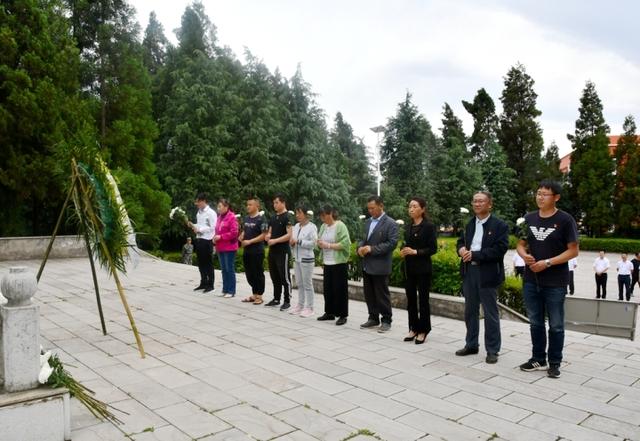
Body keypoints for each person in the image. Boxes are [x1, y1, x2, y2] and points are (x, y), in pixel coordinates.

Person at [517, 180, 578, 379]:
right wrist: (524, 255)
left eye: (545, 194)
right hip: (531, 279)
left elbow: (573, 251)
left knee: (556, 324)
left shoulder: (565, 220)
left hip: (555, 282)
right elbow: (520, 244)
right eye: (538, 193)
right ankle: (538, 358)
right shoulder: (529, 218)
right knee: (535, 322)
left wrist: (548, 262)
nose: (540, 197)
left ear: (556, 197)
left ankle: (554, 362)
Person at [455, 191, 509, 364]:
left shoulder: (499, 225)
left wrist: (475, 255)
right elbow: (460, 241)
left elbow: (499, 249)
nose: (477, 204)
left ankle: (493, 349)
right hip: (469, 272)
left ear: (489, 204)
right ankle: (471, 344)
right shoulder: (469, 224)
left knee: (490, 313)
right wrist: (461, 249)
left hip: (488, 273)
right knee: (470, 311)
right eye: (475, 201)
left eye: (481, 201)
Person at [357, 196, 399, 333]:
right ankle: (373, 317)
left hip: (380, 265)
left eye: (372, 208)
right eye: (368, 208)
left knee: (382, 294)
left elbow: (392, 243)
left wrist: (372, 249)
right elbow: (362, 239)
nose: (370, 211)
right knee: (369, 293)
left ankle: (386, 320)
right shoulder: (368, 222)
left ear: (381, 206)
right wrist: (360, 247)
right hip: (367, 263)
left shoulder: (391, 223)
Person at [399, 197, 437, 345]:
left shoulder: (428, 226)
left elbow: (432, 249)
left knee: (423, 301)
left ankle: (423, 330)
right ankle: (413, 327)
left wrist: (415, 252)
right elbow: (406, 245)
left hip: (423, 268)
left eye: (415, 206)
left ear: (422, 209)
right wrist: (404, 251)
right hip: (409, 268)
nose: (411, 209)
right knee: (411, 300)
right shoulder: (407, 227)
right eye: (410, 206)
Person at [317, 205, 351, 326]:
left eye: (324, 216)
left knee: (340, 290)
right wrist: (319, 243)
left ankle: (342, 315)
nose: (323, 219)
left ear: (330, 213)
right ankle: (329, 312)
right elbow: (319, 239)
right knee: (328, 289)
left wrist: (329, 245)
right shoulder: (323, 226)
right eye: (321, 217)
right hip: (327, 261)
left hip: (339, 262)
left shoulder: (340, 225)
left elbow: (346, 243)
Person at [265, 194, 292, 310]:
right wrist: (268, 236)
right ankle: (276, 298)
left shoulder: (288, 216)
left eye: (277, 202)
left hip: (283, 251)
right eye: (274, 203)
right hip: (272, 251)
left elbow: (289, 235)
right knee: (274, 276)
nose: (274, 205)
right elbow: (270, 232)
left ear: (283, 202)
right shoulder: (273, 217)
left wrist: (275, 240)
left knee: (284, 277)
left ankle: (287, 300)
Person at [289, 205, 318, 318]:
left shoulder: (312, 227)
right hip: (296, 258)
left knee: (307, 284)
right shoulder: (296, 226)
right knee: (299, 283)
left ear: (306, 214)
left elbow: (314, 244)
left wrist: (299, 241)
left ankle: (310, 307)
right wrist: (292, 243)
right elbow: (293, 241)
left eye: (299, 213)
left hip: (307, 259)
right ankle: (300, 305)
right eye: (296, 213)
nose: (297, 215)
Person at [240, 198, 267, 305]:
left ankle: (259, 295)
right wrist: (242, 235)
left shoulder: (262, 219)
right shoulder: (246, 218)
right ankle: (254, 294)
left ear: (257, 206)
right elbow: (245, 231)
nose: (248, 206)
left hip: (257, 251)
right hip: (247, 251)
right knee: (249, 274)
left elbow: (264, 235)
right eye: (247, 204)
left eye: (250, 205)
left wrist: (250, 241)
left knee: (258, 273)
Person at [188, 193, 217, 293]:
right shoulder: (199, 213)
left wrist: (199, 229)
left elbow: (212, 227)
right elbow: (199, 225)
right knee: (201, 263)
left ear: (204, 201)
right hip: (199, 239)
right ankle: (203, 282)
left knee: (208, 263)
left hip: (207, 240)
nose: (197, 204)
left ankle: (210, 284)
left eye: (198, 202)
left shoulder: (210, 213)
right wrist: (193, 225)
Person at [214, 199, 239, 298]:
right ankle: (225, 289)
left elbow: (234, 232)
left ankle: (231, 290)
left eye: (220, 206)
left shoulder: (231, 217)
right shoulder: (219, 217)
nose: (218, 208)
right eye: (218, 206)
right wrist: (215, 237)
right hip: (220, 247)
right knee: (224, 269)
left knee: (229, 269)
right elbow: (217, 230)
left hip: (229, 247)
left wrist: (221, 237)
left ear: (226, 207)